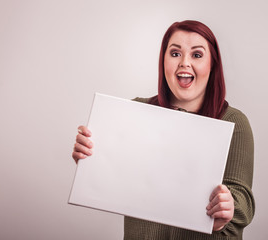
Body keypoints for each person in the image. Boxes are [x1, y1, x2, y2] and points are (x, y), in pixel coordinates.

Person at [72, 20, 255, 240]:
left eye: (197, 55)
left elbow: (242, 199)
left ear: (212, 65)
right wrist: (90, 159)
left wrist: (228, 207)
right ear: (163, 61)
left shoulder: (234, 121)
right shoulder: (135, 112)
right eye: (175, 53)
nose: (184, 63)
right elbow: (113, 177)